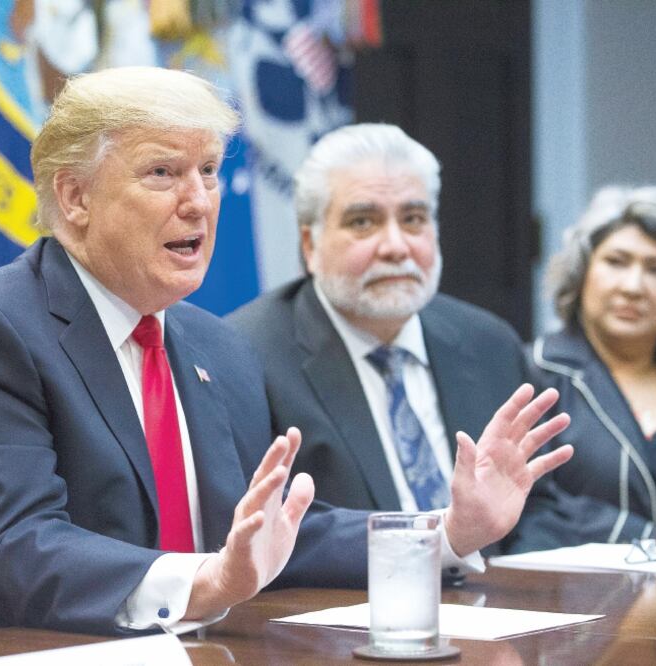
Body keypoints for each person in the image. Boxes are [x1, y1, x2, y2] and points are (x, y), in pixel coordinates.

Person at [0, 68, 571, 646]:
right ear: (73, 196)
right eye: (163, 173)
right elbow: (14, 552)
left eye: (208, 171)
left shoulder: (211, 343)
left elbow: (270, 536)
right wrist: (204, 584)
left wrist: (448, 531)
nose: (199, 202)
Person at [228, 123, 559, 554]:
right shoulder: (247, 354)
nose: (396, 247)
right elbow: (269, 527)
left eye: (413, 219)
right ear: (310, 245)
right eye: (363, 222)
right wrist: (444, 539)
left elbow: (541, 507)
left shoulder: (488, 343)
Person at [511, 185, 656, 552]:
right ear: (582, 273)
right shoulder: (534, 372)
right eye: (616, 262)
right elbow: (533, 506)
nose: (633, 287)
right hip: (592, 595)